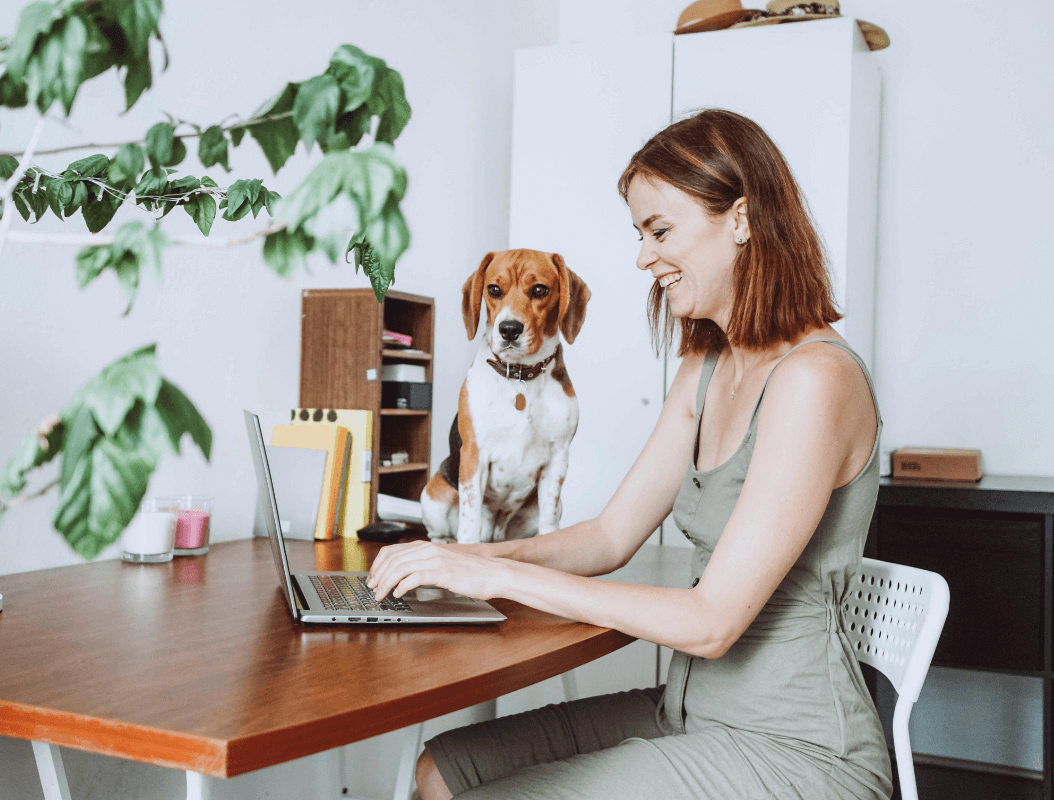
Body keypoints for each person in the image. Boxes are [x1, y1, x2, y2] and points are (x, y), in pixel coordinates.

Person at [367, 108, 891, 800]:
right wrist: (460, 562)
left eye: (660, 231)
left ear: (740, 218)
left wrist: (502, 580)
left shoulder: (815, 381)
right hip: (685, 713)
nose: (643, 257)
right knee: (439, 771)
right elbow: (610, 536)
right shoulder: (706, 365)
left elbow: (710, 623)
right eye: (640, 234)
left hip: (797, 749)